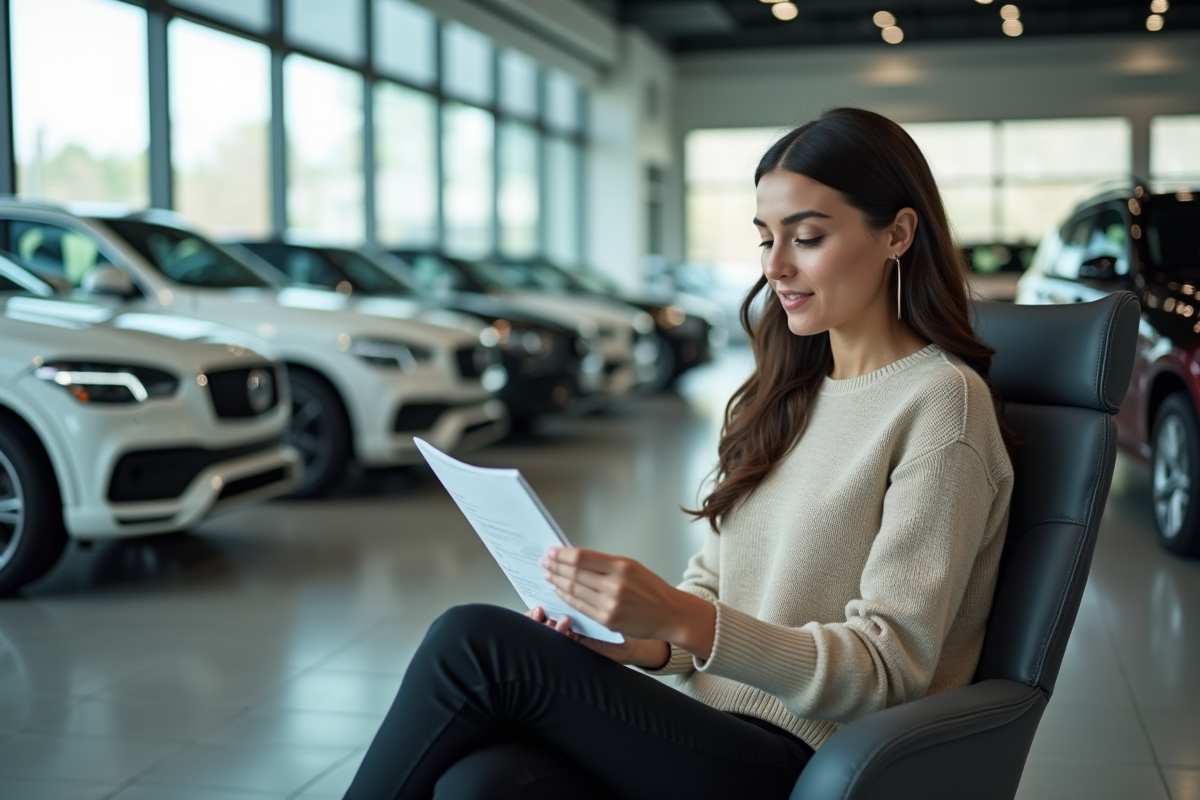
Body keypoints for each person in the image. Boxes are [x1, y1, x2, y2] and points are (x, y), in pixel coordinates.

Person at [342, 107, 1014, 800]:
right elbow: (715, 587)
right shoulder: (787, 393)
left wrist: (680, 617)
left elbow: (888, 668)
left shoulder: (941, 404)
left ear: (898, 233)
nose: (776, 265)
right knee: (481, 783)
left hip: (810, 755)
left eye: (807, 237)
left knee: (475, 644)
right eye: (765, 238)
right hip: (710, 722)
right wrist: (645, 644)